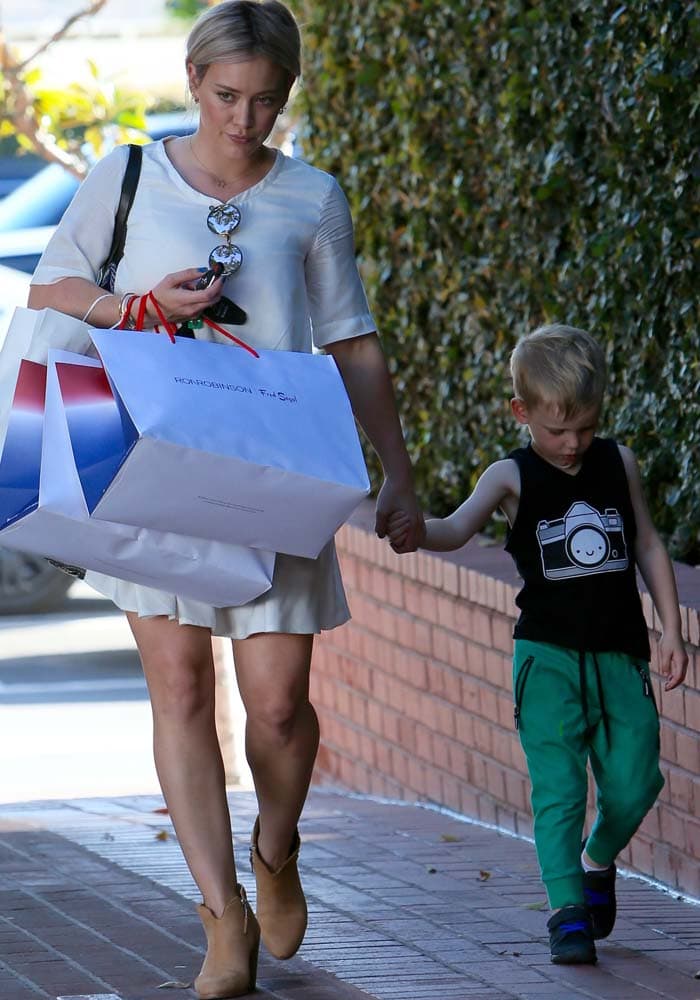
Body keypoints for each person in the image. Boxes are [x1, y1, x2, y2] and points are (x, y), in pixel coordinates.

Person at [28, 2, 422, 997]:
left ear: (287, 95)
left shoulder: (312, 196)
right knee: (182, 691)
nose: (244, 120)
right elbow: (50, 291)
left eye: (266, 102)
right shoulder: (123, 176)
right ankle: (219, 913)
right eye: (224, 97)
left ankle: (276, 850)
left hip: (272, 472)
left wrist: (397, 470)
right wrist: (135, 307)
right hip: (154, 467)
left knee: (282, 708)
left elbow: (352, 339)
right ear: (194, 80)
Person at [387, 324, 688, 966]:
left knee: (636, 783)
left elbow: (650, 545)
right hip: (546, 659)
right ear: (522, 413)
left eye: (585, 425)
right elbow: (458, 529)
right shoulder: (511, 476)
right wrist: (418, 530)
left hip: (620, 656)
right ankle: (565, 911)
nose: (573, 443)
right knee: (560, 790)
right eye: (557, 430)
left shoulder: (618, 463)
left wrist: (671, 630)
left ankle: (596, 860)